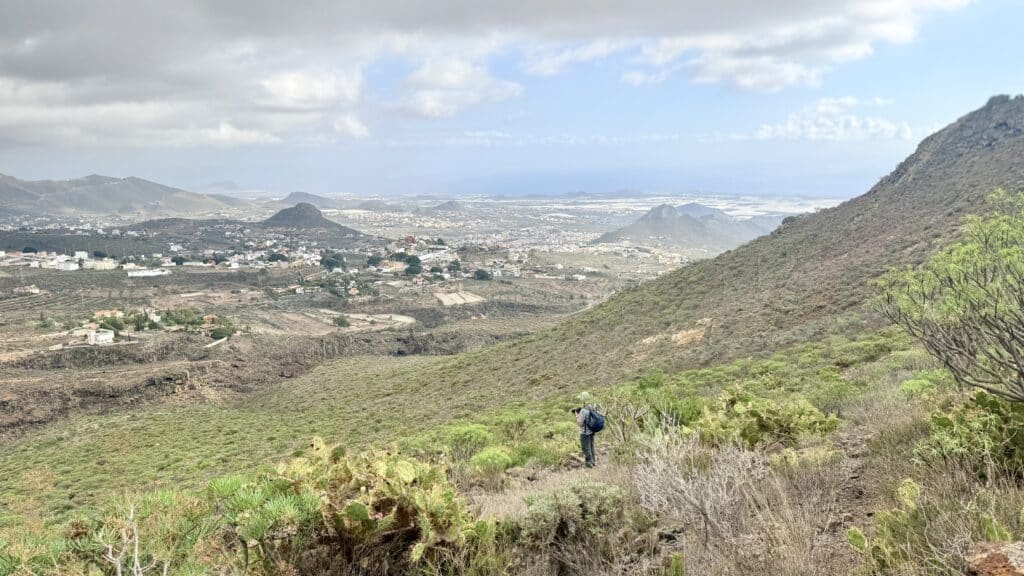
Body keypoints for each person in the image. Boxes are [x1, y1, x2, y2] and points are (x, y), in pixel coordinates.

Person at [573, 393, 597, 468]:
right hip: (592, 430)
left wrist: (577, 416)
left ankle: (588, 463)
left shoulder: (583, 410)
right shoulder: (592, 407)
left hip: (585, 432)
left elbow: (580, 423)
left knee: (586, 447)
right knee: (591, 446)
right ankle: (593, 462)